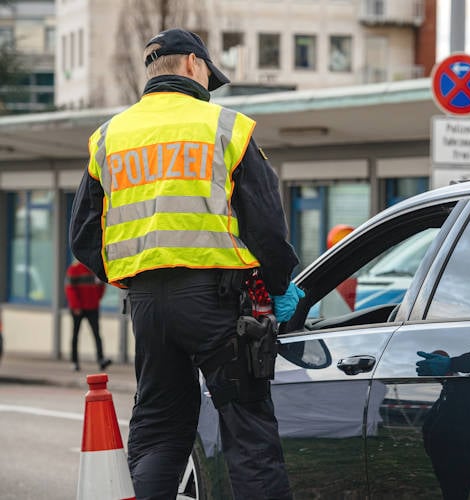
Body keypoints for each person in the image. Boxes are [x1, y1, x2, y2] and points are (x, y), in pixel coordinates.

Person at [69, 28, 303, 499]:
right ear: (194, 65)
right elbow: (266, 225)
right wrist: (281, 286)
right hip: (216, 304)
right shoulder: (225, 128)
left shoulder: (109, 137)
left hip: (148, 309)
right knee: (249, 431)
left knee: (158, 430)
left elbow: (82, 235)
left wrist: (128, 274)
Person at [64, 259, 110, 371]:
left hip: (92, 307)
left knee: (97, 334)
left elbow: (101, 286)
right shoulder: (73, 270)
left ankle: (101, 359)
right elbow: (70, 289)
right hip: (78, 309)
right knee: (75, 335)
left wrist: (96, 299)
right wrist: (76, 306)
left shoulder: (95, 270)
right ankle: (74, 362)